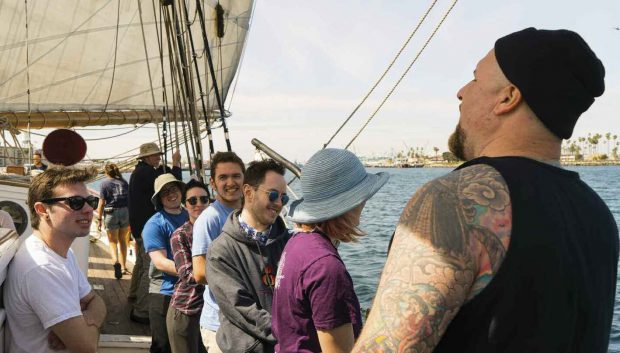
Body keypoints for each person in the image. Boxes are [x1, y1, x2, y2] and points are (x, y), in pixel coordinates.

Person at [352, 28, 619, 353]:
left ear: (508, 98)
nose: (461, 92)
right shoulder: (599, 216)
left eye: (476, 79)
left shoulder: (453, 199)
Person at [273, 148, 389, 353]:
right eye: (361, 198)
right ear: (348, 205)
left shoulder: (296, 244)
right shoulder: (326, 266)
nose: (364, 204)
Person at [5, 167, 107, 353]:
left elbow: (96, 301)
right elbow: (87, 347)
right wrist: (84, 325)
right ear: (42, 210)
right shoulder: (42, 268)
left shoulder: (63, 254)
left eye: (91, 201)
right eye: (75, 202)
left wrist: (85, 320)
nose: (88, 210)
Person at [206, 159, 291, 353]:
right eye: (272, 195)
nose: (278, 203)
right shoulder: (220, 251)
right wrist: (290, 333)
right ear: (249, 192)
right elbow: (242, 308)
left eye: (283, 198)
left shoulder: (289, 243)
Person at [192, 151, 245, 353]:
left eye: (236, 176)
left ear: (244, 179)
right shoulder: (210, 219)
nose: (230, 182)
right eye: (223, 177)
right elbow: (200, 273)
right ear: (213, 183)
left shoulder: (250, 215)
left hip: (249, 320)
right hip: (220, 323)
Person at [128, 142, 182, 323]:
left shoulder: (139, 172)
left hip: (138, 226)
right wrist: (176, 164)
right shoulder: (147, 173)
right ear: (146, 157)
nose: (158, 157)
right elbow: (168, 184)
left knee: (140, 264)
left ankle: (133, 295)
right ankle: (141, 311)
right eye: (155, 155)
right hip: (147, 228)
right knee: (149, 269)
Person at [142, 173, 188, 353]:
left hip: (190, 290)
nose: (171, 194)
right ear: (159, 199)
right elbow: (160, 262)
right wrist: (195, 273)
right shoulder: (154, 224)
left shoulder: (190, 216)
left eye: (174, 189)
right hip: (164, 291)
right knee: (162, 345)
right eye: (165, 192)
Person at [167, 179, 210, 353]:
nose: (199, 204)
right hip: (186, 310)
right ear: (185, 205)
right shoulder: (180, 236)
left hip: (209, 313)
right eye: (193, 200)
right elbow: (187, 274)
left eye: (204, 199)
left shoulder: (218, 230)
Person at [96, 163, 131, 279]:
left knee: (112, 242)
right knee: (123, 241)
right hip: (125, 212)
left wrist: (99, 218)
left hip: (111, 213)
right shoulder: (124, 182)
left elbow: (101, 203)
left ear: (106, 172)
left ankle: (116, 262)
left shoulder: (104, 184)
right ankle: (124, 267)